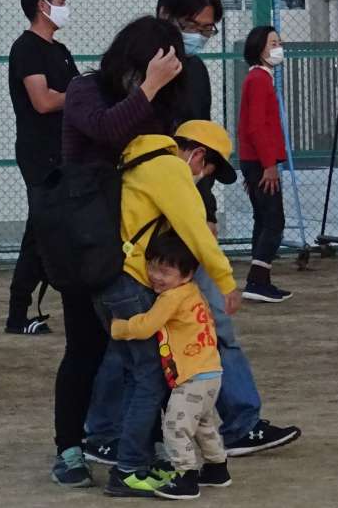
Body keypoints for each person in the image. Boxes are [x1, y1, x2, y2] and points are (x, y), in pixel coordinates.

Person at [85, 0, 301, 465]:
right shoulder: (128, 78)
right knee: (147, 337)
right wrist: (220, 266)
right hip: (151, 235)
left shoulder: (194, 75)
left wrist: (204, 209)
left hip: (178, 219)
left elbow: (197, 153)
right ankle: (110, 434)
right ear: (166, 15)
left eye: (207, 28)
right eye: (193, 26)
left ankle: (235, 421)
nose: (200, 36)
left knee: (195, 329)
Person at [51, 16, 186, 488]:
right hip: (86, 239)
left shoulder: (156, 104)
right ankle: (70, 448)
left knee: (146, 352)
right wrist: (148, 88)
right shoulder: (84, 89)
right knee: (85, 347)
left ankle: (140, 448)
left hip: (136, 244)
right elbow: (107, 131)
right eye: (150, 67)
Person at [93, 120, 241, 498]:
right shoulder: (170, 168)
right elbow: (195, 230)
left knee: (135, 374)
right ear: (198, 155)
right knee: (150, 378)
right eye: (208, 170)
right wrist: (225, 279)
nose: (202, 177)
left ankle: (137, 459)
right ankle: (129, 468)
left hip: (109, 275)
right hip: (130, 279)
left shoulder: (138, 160)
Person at [111, 232, 232, 500]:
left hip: (191, 376)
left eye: (164, 272)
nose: (155, 276)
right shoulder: (193, 292)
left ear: (187, 274)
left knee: (175, 426)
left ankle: (186, 476)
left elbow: (147, 326)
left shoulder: (172, 297)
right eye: (152, 267)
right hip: (211, 372)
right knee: (202, 424)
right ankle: (217, 468)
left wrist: (119, 328)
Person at [5, 0, 79, 335]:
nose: (65, 8)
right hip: (41, 157)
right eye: (61, 1)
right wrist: (77, 96)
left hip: (64, 154)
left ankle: (19, 312)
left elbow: (78, 92)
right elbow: (43, 101)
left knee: (43, 231)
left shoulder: (60, 51)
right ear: (42, 5)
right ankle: (18, 313)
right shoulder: (27, 49)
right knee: (41, 233)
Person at [239, 26, 292, 303]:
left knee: (263, 218)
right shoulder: (259, 79)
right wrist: (269, 165)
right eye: (273, 43)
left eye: (279, 43)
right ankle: (257, 281)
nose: (278, 48)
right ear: (258, 48)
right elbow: (257, 127)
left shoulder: (257, 78)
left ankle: (259, 279)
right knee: (274, 220)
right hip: (260, 162)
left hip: (254, 161)